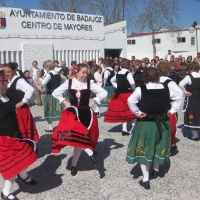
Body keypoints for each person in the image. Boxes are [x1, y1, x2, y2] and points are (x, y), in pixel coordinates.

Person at [126, 68, 178, 189]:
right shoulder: (166, 88)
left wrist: (138, 113)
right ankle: (156, 169)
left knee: (144, 148)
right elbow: (180, 95)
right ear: (157, 76)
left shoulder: (141, 89)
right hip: (163, 122)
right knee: (158, 145)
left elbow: (130, 100)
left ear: (145, 77)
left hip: (146, 123)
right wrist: (173, 110)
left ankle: (146, 179)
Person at [52, 63, 108, 176]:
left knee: (79, 140)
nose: (85, 75)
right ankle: (89, 152)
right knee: (73, 135)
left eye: (87, 73)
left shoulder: (89, 83)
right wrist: (64, 101)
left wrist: (94, 101)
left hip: (85, 113)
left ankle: (73, 165)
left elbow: (104, 92)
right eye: (83, 72)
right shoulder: (69, 82)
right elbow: (55, 92)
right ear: (76, 72)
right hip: (72, 113)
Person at [0, 70, 38, 200]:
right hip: (4, 138)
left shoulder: (4, 95)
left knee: (27, 151)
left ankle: (23, 175)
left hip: (14, 133)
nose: (7, 83)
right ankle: (6, 192)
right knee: (13, 163)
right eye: (5, 81)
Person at [5, 62, 39, 142]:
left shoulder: (19, 81)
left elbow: (30, 89)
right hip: (13, 110)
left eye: (9, 72)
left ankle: (28, 147)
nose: (7, 74)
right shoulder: (8, 81)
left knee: (22, 130)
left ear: (14, 71)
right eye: (6, 72)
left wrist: (23, 101)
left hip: (20, 110)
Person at [104, 59, 137, 136]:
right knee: (132, 110)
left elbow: (112, 80)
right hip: (127, 93)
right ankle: (133, 128)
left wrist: (117, 87)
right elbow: (132, 82)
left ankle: (124, 129)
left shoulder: (118, 72)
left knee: (123, 111)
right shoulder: (128, 73)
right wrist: (133, 89)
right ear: (128, 65)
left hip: (119, 94)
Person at [157, 62, 183, 149]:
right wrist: (174, 107)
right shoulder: (170, 82)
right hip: (168, 107)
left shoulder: (154, 80)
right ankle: (171, 143)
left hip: (156, 107)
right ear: (168, 71)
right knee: (171, 126)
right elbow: (180, 94)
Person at [42, 60, 67, 132]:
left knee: (49, 110)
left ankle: (50, 127)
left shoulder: (49, 74)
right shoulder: (58, 74)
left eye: (45, 66)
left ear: (47, 67)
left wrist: (45, 89)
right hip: (58, 95)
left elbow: (43, 83)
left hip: (50, 94)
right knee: (58, 110)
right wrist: (62, 88)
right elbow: (65, 79)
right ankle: (60, 126)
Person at [179, 62, 200, 141]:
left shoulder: (189, 77)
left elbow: (180, 84)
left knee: (192, 114)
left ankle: (195, 135)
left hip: (192, 99)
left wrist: (185, 92)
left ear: (191, 69)